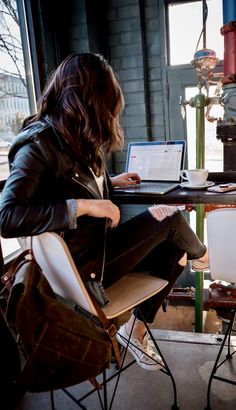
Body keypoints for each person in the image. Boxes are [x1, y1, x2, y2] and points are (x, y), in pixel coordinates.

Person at [0, 52, 208, 371]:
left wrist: (109, 182)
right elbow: (8, 216)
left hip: (99, 252)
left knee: (174, 250)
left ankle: (134, 332)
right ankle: (203, 255)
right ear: (85, 100)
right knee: (170, 217)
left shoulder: (72, 136)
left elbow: (68, 183)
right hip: (83, 270)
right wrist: (84, 205)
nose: (109, 115)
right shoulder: (38, 144)